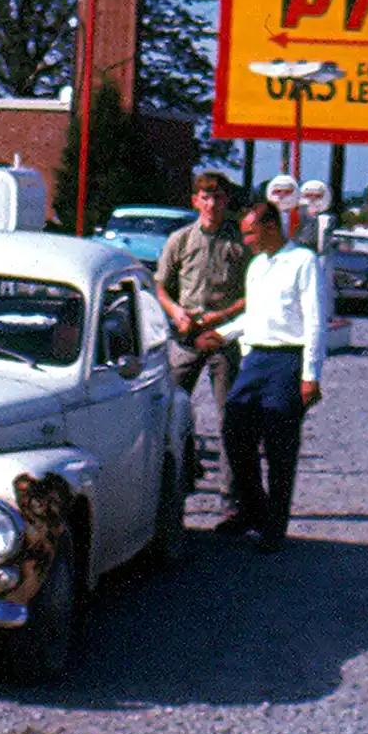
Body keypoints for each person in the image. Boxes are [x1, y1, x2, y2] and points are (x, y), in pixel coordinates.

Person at [194, 200, 325, 553]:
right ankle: (254, 509)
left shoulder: (303, 262)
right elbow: (255, 316)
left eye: (251, 232)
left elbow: (314, 321)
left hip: (287, 360)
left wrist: (310, 375)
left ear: (270, 227)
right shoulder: (256, 267)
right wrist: (222, 334)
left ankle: (274, 527)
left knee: (280, 447)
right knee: (235, 432)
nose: (247, 240)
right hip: (255, 360)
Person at [154, 171, 249, 493]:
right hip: (185, 338)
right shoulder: (180, 240)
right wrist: (176, 312)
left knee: (230, 420)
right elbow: (160, 286)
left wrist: (220, 316)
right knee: (170, 411)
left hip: (223, 338)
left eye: (218, 197)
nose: (212, 204)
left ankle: (232, 496)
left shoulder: (239, 244)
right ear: (195, 201)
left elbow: (252, 293)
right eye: (205, 197)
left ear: (227, 201)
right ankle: (178, 478)